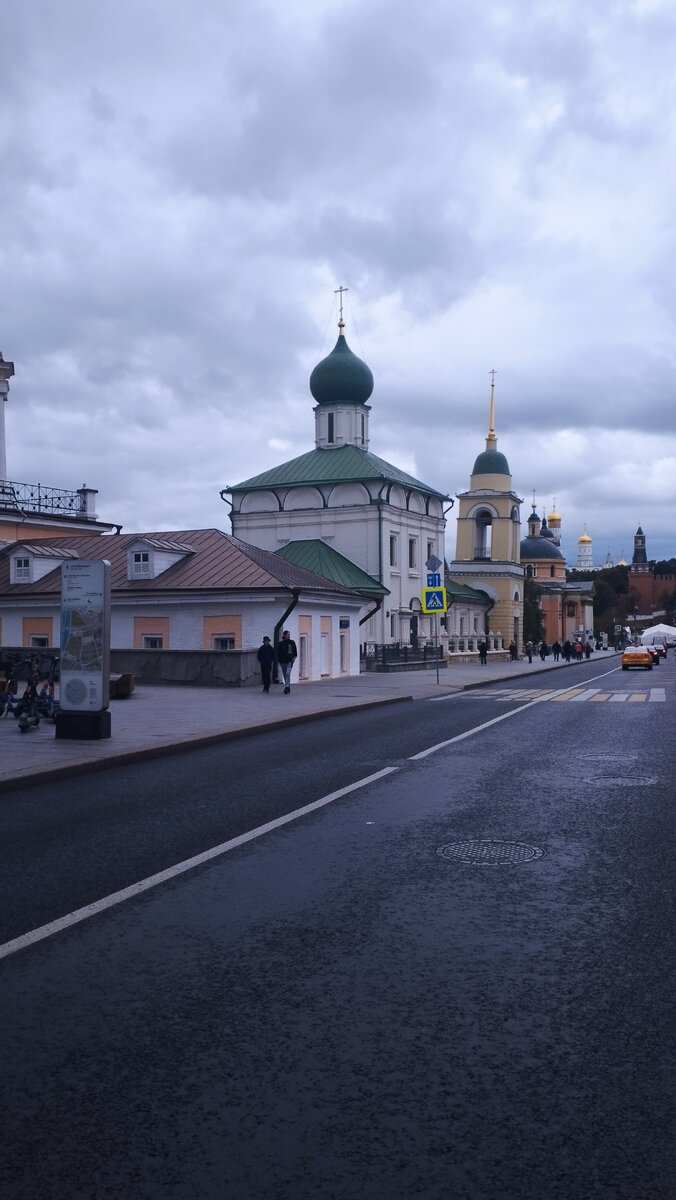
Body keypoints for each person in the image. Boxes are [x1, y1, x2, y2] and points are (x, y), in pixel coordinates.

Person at [277, 629, 298, 694]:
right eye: (287, 634)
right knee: (284, 674)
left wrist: (293, 658)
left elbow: (295, 651)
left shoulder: (292, 642)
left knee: (287, 673)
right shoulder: (281, 644)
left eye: (289, 634)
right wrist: (279, 660)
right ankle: (288, 686)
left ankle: (286, 686)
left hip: (289, 661)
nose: (289, 635)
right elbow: (278, 653)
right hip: (283, 661)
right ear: (284, 635)